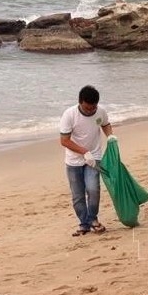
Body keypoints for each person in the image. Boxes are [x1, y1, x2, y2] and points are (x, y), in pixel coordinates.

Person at [60, 85, 113, 237]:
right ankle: (84, 223)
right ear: (80, 102)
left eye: (93, 108)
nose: (90, 111)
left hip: (94, 157)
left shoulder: (100, 111)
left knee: (93, 189)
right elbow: (64, 140)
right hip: (74, 160)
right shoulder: (69, 115)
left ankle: (93, 219)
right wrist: (84, 152)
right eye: (87, 108)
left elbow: (106, 125)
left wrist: (110, 137)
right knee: (78, 195)